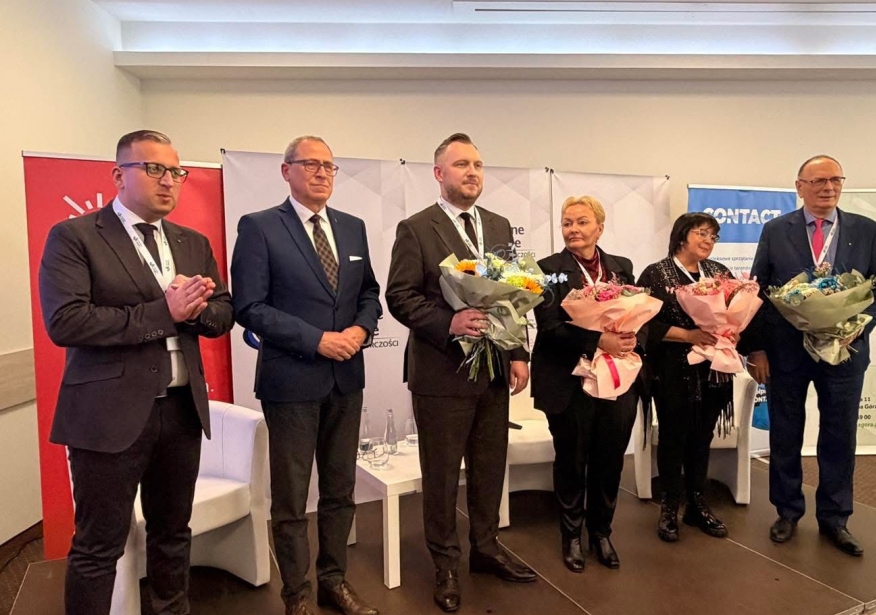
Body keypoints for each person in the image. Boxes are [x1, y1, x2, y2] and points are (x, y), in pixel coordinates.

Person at [39, 129, 233, 615]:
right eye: (154, 169)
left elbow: (224, 311)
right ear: (117, 175)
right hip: (108, 417)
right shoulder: (75, 236)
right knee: (98, 546)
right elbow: (67, 322)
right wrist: (166, 311)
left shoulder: (191, 242)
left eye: (176, 171)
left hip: (181, 412)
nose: (169, 180)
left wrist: (197, 312)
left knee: (173, 533)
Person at [231, 136, 382, 615]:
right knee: (292, 498)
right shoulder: (259, 227)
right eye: (310, 164)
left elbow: (370, 293)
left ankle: (333, 582)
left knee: (340, 490)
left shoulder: (352, 228)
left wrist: (361, 328)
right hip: (291, 381)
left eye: (329, 166)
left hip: (346, 379)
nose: (321, 173)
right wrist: (316, 339)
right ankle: (296, 594)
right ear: (286, 171)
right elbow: (249, 306)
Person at [385, 133, 536, 613]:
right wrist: (447, 323)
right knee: (443, 475)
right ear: (439, 174)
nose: (472, 172)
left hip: (493, 372)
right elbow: (400, 296)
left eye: (478, 165)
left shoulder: (498, 225)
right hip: (441, 373)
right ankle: (445, 564)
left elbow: (512, 295)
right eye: (461, 164)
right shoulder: (416, 228)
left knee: (489, 468)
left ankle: (486, 549)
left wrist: (518, 352)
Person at [748, 155, 876, 556]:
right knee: (785, 432)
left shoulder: (866, 230)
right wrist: (756, 347)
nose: (828, 188)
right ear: (799, 187)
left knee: (839, 434)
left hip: (845, 351)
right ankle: (787, 511)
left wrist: (860, 323)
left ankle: (835, 518)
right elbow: (757, 291)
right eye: (818, 181)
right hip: (786, 351)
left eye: (835, 180)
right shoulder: (776, 230)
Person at [531, 196, 639, 573]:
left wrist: (629, 337)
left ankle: (602, 533)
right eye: (567, 223)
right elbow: (549, 327)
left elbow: (637, 314)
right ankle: (572, 536)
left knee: (610, 460)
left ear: (599, 228)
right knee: (572, 461)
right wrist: (597, 341)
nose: (573, 229)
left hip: (616, 380)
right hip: (568, 381)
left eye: (581, 222)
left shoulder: (622, 267)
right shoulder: (548, 270)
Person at [636, 212, 735, 544]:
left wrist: (733, 330)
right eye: (701, 233)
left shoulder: (719, 273)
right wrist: (688, 335)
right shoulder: (656, 273)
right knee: (673, 437)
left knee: (702, 436)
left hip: (713, 370)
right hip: (672, 370)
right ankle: (668, 507)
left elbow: (735, 314)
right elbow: (644, 324)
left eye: (713, 236)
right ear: (682, 236)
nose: (708, 241)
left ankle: (697, 504)